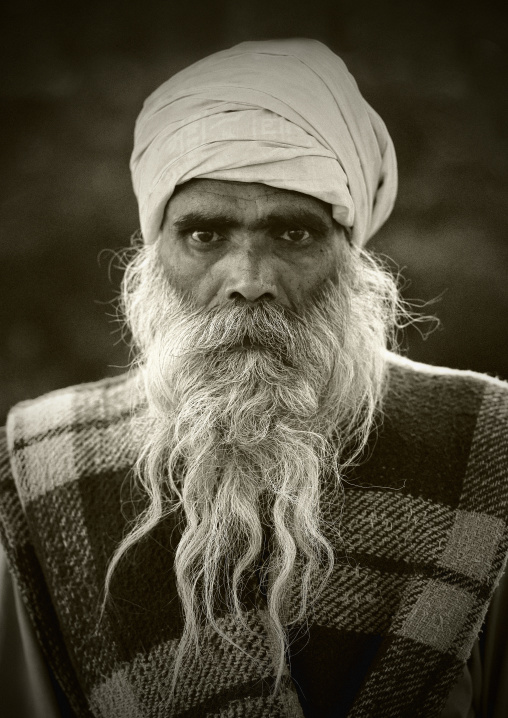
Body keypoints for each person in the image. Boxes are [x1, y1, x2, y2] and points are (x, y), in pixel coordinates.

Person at [0, 39, 507, 718]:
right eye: (205, 235)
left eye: (293, 235)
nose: (248, 282)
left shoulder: (485, 445)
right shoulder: (47, 457)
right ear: (155, 254)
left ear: (349, 256)